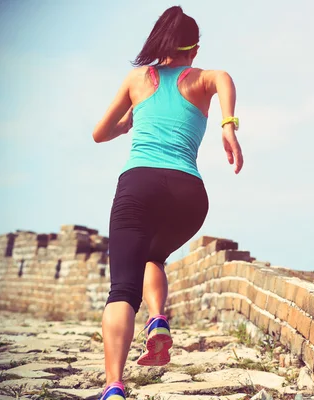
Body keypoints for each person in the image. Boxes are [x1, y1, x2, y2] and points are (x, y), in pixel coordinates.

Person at [92, 6, 243, 400]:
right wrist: (228, 126)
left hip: (138, 186)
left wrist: (126, 123)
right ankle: (158, 318)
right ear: (193, 50)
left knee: (122, 290)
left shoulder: (138, 79)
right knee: (153, 257)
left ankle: (113, 386)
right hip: (189, 193)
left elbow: (98, 133)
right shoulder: (200, 79)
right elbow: (224, 77)